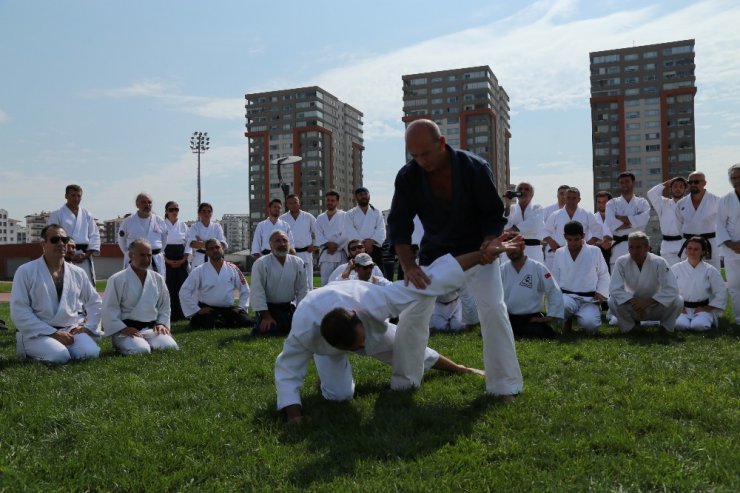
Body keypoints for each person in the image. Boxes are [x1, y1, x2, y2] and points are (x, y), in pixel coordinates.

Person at [274, 244, 517, 423]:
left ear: (355, 314)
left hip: (369, 324)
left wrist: (481, 254)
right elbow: (288, 370)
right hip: (331, 343)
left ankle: (461, 368)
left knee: (410, 350)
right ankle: (328, 378)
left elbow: (431, 280)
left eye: (361, 345)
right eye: (356, 348)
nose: (363, 351)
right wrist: (294, 417)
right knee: (340, 396)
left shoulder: (372, 300)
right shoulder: (304, 331)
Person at [387, 118, 522, 397]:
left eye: (425, 153)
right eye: (414, 155)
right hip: (434, 254)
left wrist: (489, 242)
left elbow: (492, 215)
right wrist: (409, 266)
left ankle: (504, 385)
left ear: (441, 143)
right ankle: (404, 381)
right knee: (412, 314)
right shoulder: (408, 176)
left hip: (478, 252)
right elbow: (399, 225)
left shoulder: (473, 167)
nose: (421, 160)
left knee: (494, 310)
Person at [10, 224, 102, 363]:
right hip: (37, 333)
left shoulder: (78, 273)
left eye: (64, 240)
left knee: (91, 353)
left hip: (70, 330)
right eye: (55, 240)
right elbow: (19, 310)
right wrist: (53, 333)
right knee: (60, 356)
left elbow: (95, 302)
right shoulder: (26, 271)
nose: (61, 243)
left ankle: (62, 348)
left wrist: (88, 328)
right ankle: (28, 352)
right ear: (43, 244)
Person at [102, 239, 179, 354]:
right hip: (125, 331)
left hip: (151, 329)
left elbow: (164, 306)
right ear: (131, 255)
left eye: (149, 255)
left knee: (170, 347)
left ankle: (149, 342)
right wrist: (123, 328)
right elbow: (109, 308)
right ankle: (123, 344)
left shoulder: (157, 278)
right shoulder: (117, 279)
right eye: (142, 255)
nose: (146, 259)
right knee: (142, 350)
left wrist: (161, 323)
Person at [608, 232, 683, 334]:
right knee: (612, 300)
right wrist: (634, 302)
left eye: (638, 247)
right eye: (631, 247)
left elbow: (672, 288)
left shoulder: (659, 262)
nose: (634, 251)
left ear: (647, 248)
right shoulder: (621, 262)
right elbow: (614, 288)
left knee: (678, 300)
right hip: (633, 306)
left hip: (655, 306)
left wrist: (647, 302)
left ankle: (666, 327)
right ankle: (629, 328)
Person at [551, 221, 610, 334]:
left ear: (583, 235)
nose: (573, 243)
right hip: (567, 297)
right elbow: (555, 277)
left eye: (576, 239)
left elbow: (603, 274)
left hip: (589, 299)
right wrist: (555, 297)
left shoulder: (595, 251)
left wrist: (601, 292)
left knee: (590, 326)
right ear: (565, 237)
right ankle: (566, 321)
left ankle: (585, 318)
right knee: (561, 308)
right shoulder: (559, 252)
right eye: (569, 239)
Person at [179, 238, 251, 329]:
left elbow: (245, 289)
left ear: (222, 249)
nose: (215, 250)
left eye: (217, 247)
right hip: (208, 310)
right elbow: (184, 291)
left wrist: (242, 307)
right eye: (211, 248)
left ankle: (226, 321)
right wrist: (197, 310)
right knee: (213, 324)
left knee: (247, 321)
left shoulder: (233, 268)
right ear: (207, 252)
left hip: (228, 309)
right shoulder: (199, 270)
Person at [250, 230, 308, 337]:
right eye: (277, 241)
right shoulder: (261, 263)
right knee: (270, 330)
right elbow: (257, 291)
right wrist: (266, 316)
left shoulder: (298, 262)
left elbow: (303, 290)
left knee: (300, 329)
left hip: (287, 308)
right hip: (268, 309)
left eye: (284, 241)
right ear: (270, 245)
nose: (282, 244)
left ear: (289, 244)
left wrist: (300, 314)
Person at [501, 242, 564, 338]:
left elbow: (553, 290)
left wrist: (551, 316)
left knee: (543, 333)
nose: (511, 251)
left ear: (522, 246)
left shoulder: (538, 267)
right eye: (508, 249)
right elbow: (493, 295)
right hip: (508, 317)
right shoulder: (502, 269)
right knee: (493, 333)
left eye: (514, 247)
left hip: (531, 318)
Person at [671, 236, 728, 331]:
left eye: (696, 249)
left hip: (702, 309)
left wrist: (708, 308)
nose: (692, 251)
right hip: (682, 309)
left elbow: (721, 291)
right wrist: (677, 306)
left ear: (703, 252)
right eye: (689, 248)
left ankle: (703, 318)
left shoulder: (710, 270)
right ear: (685, 250)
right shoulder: (676, 268)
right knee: (680, 325)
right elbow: (668, 289)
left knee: (699, 326)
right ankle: (685, 319)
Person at [48, 184, 101, 286]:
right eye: (73, 195)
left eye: (78, 196)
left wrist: (86, 255)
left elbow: (95, 235)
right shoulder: (57, 214)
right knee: (67, 286)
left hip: (84, 256)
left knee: (87, 287)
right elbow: (52, 236)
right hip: (64, 256)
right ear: (66, 196)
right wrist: (69, 254)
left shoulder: (87, 214)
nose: (76, 198)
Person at [543, 187, 602, 270]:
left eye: (574, 198)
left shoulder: (587, 214)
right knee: (556, 280)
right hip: (559, 252)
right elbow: (546, 231)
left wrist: (587, 245)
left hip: (581, 253)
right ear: (565, 198)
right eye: (568, 198)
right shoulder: (555, 215)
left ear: (579, 199)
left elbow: (597, 231)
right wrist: (551, 242)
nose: (571, 200)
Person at [605, 172, 651, 270]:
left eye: (627, 181)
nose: (624, 184)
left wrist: (620, 218)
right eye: (621, 182)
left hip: (639, 247)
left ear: (633, 183)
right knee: (618, 283)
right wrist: (634, 221)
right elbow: (611, 223)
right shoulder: (611, 203)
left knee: (640, 282)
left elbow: (643, 221)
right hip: (618, 248)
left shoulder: (642, 202)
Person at [676, 171, 720, 270]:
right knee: (688, 273)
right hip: (689, 243)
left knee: (712, 273)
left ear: (704, 183)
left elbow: (722, 224)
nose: (693, 185)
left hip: (709, 243)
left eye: (696, 182)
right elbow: (679, 225)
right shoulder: (681, 203)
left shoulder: (716, 201)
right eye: (690, 182)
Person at [117, 192, 168, 274]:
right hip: (135, 259)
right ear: (137, 205)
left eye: (149, 202)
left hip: (155, 258)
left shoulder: (159, 220)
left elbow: (164, 240)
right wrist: (129, 254)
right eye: (143, 202)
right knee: (133, 284)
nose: (147, 205)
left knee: (156, 284)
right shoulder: (128, 221)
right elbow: (121, 240)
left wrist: (156, 252)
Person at [716, 163, 740, 325]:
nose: (737, 180)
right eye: (733, 178)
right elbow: (719, 224)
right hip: (731, 249)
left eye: (739, 177)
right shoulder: (725, 200)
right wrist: (732, 244)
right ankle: (739, 318)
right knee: (734, 285)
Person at [280, 194, 317, 292]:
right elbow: (279, 237)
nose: (293, 205)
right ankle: (292, 306)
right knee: (291, 282)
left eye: (295, 202)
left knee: (308, 282)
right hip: (290, 254)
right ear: (287, 205)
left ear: (299, 203)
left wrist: (315, 245)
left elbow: (318, 232)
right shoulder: (282, 219)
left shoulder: (308, 217)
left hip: (306, 253)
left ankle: (308, 304)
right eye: (290, 203)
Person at [647, 177, 688, 266]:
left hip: (685, 244)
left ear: (685, 190)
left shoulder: (690, 203)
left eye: (681, 187)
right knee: (671, 275)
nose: (678, 189)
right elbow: (651, 193)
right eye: (675, 186)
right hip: (668, 247)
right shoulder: (663, 203)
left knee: (686, 276)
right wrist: (668, 182)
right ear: (670, 189)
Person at [503, 182, 545, 264]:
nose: (523, 191)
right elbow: (504, 226)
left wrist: (512, 229)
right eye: (520, 189)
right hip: (511, 248)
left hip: (532, 250)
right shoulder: (510, 209)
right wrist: (507, 204)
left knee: (534, 274)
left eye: (526, 189)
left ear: (532, 194)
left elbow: (534, 225)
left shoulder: (537, 208)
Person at [344, 187, 386, 268]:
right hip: (356, 249)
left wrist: (371, 242)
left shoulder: (377, 212)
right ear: (355, 198)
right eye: (360, 195)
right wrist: (362, 245)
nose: (363, 196)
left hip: (374, 248)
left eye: (365, 194)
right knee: (356, 275)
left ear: (369, 196)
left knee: (378, 274)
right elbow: (349, 230)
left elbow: (381, 229)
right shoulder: (350, 214)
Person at [163, 201, 190, 320]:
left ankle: (181, 314)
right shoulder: (162, 225)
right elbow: (159, 245)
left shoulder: (183, 225)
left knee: (182, 287)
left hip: (181, 258)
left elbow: (189, 244)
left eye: (176, 209)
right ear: (166, 211)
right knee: (168, 286)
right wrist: (166, 260)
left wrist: (183, 259)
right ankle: (169, 314)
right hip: (166, 258)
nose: (174, 212)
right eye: (171, 209)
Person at [315, 190, 348, 286]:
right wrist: (328, 244)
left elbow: (346, 233)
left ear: (338, 202)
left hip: (340, 253)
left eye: (332, 200)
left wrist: (336, 244)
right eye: (328, 200)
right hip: (326, 254)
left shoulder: (344, 216)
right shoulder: (320, 218)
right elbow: (318, 234)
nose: (330, 202)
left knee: (341, 282)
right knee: (325, 283)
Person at [187, 202, 228, 268]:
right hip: (199, 259)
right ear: (199, 213)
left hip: (215, 258)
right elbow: (192, 243)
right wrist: (214, 244)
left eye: (209, 211)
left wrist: (202, 243)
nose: (206, 214)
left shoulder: (217, 226)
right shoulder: (194, 227)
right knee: (198, 278)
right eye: (204, 211)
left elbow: (222, 244)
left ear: (211, 214)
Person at [593, 190, 613, 270]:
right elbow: (587, 239)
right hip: (598, 254)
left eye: (604, 202)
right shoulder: (592, 219)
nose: (602, 205)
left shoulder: (618, 217)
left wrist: (611, 242)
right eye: (599, 202)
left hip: (615, 252)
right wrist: (601, 243)